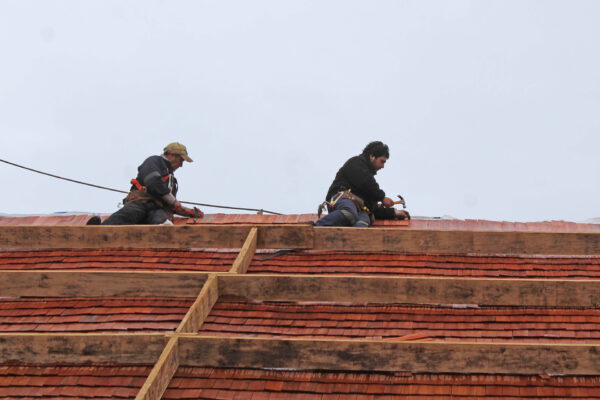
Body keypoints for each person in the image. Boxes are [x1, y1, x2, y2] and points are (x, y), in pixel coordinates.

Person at [87, 142, 203, 225]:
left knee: (163, 224)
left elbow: (173, 206)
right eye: (181, 160)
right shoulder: (155, 161)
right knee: (128, 214)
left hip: (158, 210)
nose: (181, 165)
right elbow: (153, 182)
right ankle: (96, 232)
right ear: (172, 154)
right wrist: (173, 201)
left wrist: (191, 213)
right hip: (141, 204)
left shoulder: (172, 180)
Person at [315, 141, 410, 227]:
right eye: (382, 161)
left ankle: (352, 245)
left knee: (363, 222)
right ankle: (316, 227)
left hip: (358, 208)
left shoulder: (368, 186)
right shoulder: (355, 163)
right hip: (341, 199)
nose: (383, 166)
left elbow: (372, 208)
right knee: (349, 212)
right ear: (372, 156)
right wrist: (382, 197)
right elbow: (366, 182)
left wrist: (393, 212)